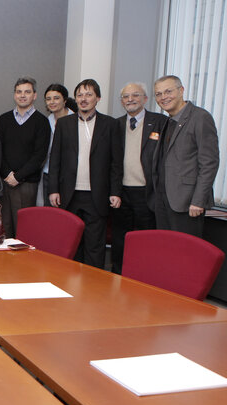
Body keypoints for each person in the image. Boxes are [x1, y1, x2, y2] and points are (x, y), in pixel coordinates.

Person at [49, 79, 121, 269]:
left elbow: (116, 162)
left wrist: (115, 192)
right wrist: (53, 189)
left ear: (98, 98)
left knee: (95, 245)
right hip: (69, 193)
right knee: (72, 242)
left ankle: (93, 287)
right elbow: (55, 159)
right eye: (80, 95)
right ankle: (71, 282)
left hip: (97, 194)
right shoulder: (64, 124)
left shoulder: (110, 125)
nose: (83, 99)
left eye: (89, 95)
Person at [153, 74, 219, 238]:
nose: (163, 97)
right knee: (166, 249)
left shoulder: (200, 117)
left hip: (187, 202)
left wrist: (198, 200)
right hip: (163, 200)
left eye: (168, 91)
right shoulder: (169, 121)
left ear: (181, 90)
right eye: (159, 94)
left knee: (185, 255)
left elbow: (209, 163)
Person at [111, 82, 167, 273]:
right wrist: (114, 190)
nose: (130, 100)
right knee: (120, 237)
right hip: (121, 192)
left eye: (135, 95)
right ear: (121, 101)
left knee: (146, 237)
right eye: (126, 97)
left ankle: (144, 275)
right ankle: (118, 275)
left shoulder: (160, 122)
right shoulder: (115, 124)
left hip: (147, 191)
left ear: (145, 98)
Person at [0, 77, 51, 236]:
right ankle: (4, 260)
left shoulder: (41, 122)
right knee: (4, 226)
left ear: (34, 95)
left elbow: (39, 156)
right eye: (19, 92)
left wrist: (18, 176)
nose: (22, 95)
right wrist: (7, 174)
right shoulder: (4, 119)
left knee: (23, 228)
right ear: (14, 95)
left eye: (27, 92)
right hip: (5, 182)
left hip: (27, 184)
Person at [39, 83, 74, 206]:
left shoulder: (76, 120)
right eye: (48, 99)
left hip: (69, 175)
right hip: (49, 173)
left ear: (64, 100)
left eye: (56, 98)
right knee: (51, 214)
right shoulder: (46, 121)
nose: (52, 102)